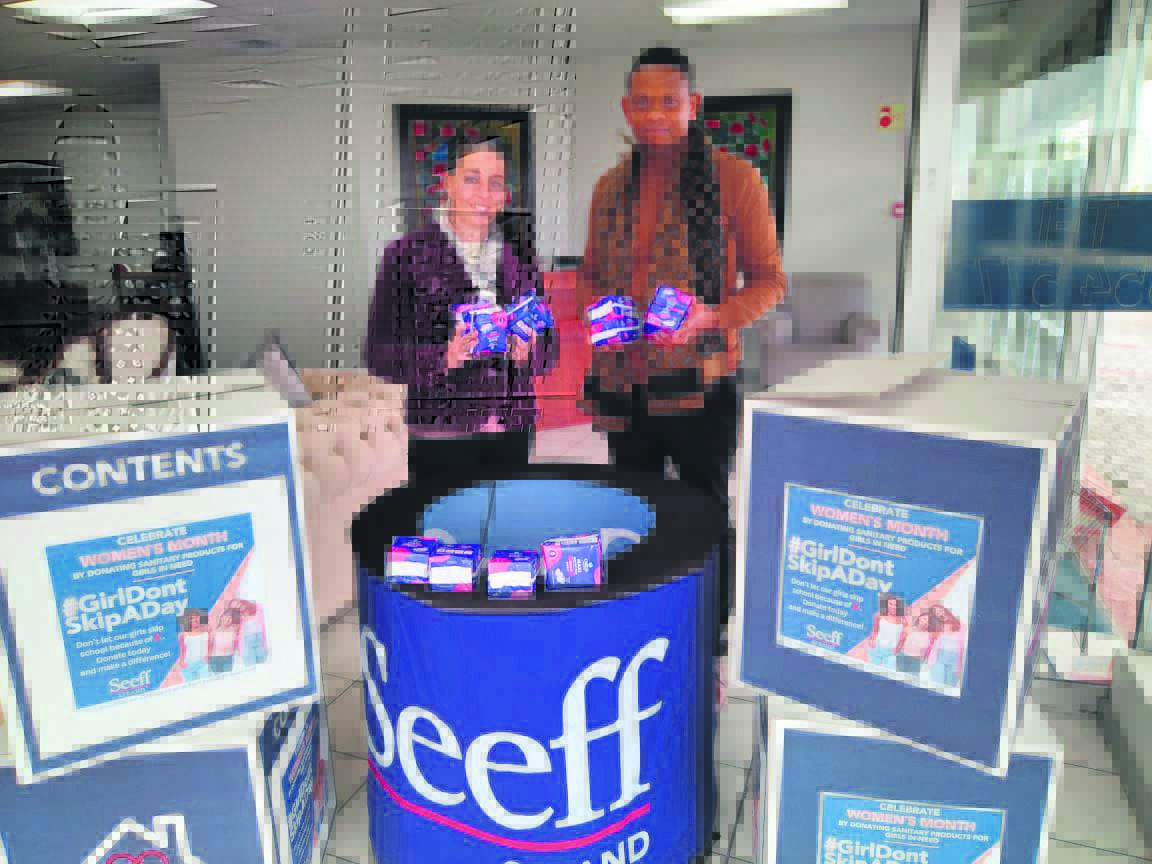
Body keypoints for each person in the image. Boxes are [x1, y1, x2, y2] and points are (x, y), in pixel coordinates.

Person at [577, 46, 787, 857]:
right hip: (623, 384)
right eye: (643, 102)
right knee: (631, 512)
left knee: (701, 513)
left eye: (670, 101)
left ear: (694, 106)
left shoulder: (734, 180)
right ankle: (641, 625)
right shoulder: (609, 188)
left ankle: (710, 642)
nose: (656, 115)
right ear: (626, 108)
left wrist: (709, 316)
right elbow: (591, 278)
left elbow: (768, 281)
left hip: (701, 383)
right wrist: (603, 315)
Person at [364, 132, 557, 485]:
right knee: (445, 518)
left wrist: (530, 351)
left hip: (512, 427)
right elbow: (378, 355)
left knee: (506, 517)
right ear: (447, 183)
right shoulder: (405, 256)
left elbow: (550, 349)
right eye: (471, 179)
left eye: (495, 183)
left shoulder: (522, 257)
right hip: (442, 432)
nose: (484, 194)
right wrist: (444, 357)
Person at [867, 594, 907, 670]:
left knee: (888, 672)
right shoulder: (879, 615)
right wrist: (871, 640)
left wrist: (898, 648)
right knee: (872, 669)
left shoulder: (903, 621)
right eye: (890, 604)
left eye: (895, 605)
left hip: (891, 651)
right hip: (876, 647)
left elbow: (903, 638)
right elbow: (875, 630)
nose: (893, 606)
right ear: (886, 604)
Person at [896, 611, 939, 679]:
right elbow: (900, 643)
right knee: (896, 678)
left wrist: (924, 660)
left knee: (910, 680)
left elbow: (929, 650)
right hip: (903, 657)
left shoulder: (931, 635)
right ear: (919, 618)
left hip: (916, 661)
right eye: (924, 619)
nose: (926, 622)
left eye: (929, 622)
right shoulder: (908, 629)